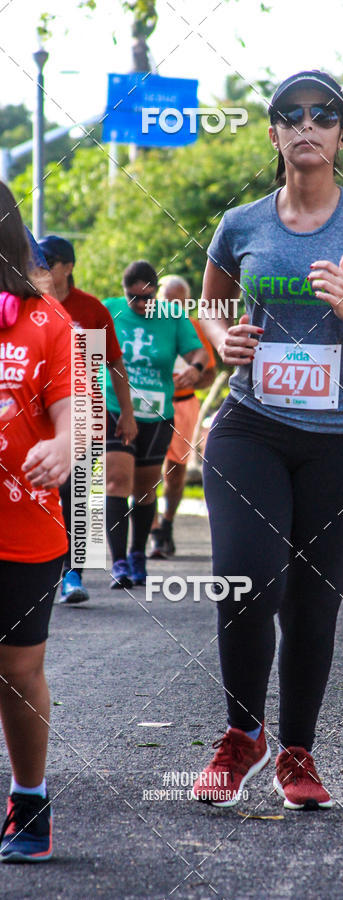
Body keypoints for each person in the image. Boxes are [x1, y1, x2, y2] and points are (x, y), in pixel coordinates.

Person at [193, 70, 343, 811]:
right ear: (275, 133)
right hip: (251, 428)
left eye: (324, 114)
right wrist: (224, 341)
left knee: (313, 603)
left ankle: (297, 752)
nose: (307, 124)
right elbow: (209, 305)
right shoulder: (242, 223)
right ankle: (241, 732)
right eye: (291, 115)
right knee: (248, 580)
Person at [0, 182, 72, 861]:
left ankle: (29, 800)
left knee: (16, 671)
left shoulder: (46, 321)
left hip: (22, 527)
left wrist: (64, 445)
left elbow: (71, 408)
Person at [38, 235, 138, 603]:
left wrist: (126, 413)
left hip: (84, 415)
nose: (42, 266)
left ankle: (73, 574)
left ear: (69, 267)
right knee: (43, 495)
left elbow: (113, 364)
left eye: (49, 260)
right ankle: (42, 568)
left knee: (78, 496)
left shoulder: (90, 310)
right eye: (38, 260)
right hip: (37, 419)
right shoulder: (30, 305)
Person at [103, 260, 205, 588]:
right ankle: (118, 560)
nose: (142, 305)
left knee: (145, 489)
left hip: (157, 414)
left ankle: (137, 554)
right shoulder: (110, 311)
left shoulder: (173, 317)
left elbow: (198, 353)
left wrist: (196, 369)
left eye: (148, 297)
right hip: (116, 409)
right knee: (116, 481)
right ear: (124, 293)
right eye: (134, 298)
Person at [149, 275, 216, 559]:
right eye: (168, 300)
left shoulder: (195, 330)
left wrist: (194, 379)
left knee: (174, 474)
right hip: (149, 405)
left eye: (180, 302)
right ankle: (152, 531)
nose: (174, 306)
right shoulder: (145, 325)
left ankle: (167, 524)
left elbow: (209, 374)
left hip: (183, 405)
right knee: (146, 471)